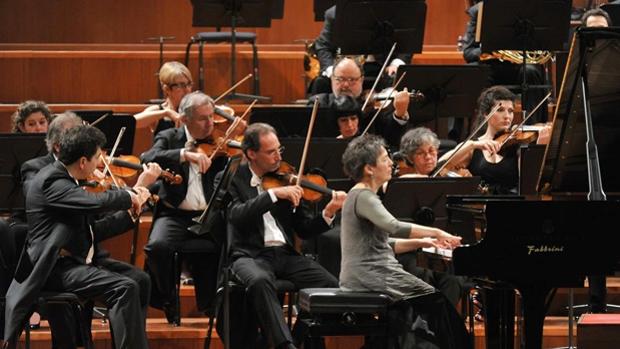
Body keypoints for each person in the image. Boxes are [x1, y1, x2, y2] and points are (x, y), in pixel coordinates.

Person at [15, 112, 159, 348]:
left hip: (78, 258)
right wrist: (131, 193)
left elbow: (92, 230)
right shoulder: (52, 180)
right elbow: (95, 203)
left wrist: (132, 210)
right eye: (96, 159)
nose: (100, 165)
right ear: (82, 162)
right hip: (54, 267)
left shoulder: (69, 179)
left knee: (137, 281)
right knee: (124, 287)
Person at [339, 133, 470, 348]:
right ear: (369, 168)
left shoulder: (362, 196)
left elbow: (385, 244)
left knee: (402, 314)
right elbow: (394, 226)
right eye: (384, 159)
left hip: (369, 272)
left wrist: (423, 242)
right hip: (371, 274)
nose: (391, 163)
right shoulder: (363, 196)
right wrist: (437, 232)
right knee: (436, 302)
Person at [226, 123, 346, 349]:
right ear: (251, 154)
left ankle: (299, 336)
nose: (277, 157)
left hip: (285, 254)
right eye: (271, 152)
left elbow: (303, 229)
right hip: (249, 255)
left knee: (330, 286)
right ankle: (284, 346)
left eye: (279, 150)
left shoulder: (287, 179)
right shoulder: (233, 179)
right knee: (260, 281)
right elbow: (236, 215)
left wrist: (328, 213)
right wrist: (272, 194)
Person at [141, 91, 227, 323]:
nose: (210, 123)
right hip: (174, 213)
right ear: (185, 118)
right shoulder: (170, 136)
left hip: (209, 215)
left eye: (212, 116)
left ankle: (214, 306)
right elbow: (147, 157)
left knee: (231, 247)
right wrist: (184, 155)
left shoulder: (219, 142)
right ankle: (168, 299)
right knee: (157, 247)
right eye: (203, 118)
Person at [462, 2, 548, 126]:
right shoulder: (479, 11)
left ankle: (533, 127)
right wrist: (492, 47)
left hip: (517, 68)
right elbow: (468, 53)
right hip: (490, 67)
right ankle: (460, 133)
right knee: (467, 73)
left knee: (531, 71)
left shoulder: (527, 12)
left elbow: (540, 43)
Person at [309, 57, 410, 149]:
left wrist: (400, 114)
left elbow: (392, 140)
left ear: (361, 80)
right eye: (340, 79)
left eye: (352, 80)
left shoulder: (375, 106)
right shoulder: (318, 104)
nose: (345, 85)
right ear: (331, 79)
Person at [309, 5, 412, 95]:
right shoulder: (334, 13)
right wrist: (332, 70)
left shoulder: (393, 12)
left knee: (398, 80)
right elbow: (323, 45)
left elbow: (408, 40)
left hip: (381, 67)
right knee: (321, 83)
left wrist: (396, 64)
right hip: (347, 68)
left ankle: (390, 117)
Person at [134, 61, 193, 135]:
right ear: (166, 89)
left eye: (189, 84)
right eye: (181, 85)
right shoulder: (159, 111)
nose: (187, 89)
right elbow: (133, 122)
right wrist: (166, 113)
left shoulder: (195, 109)